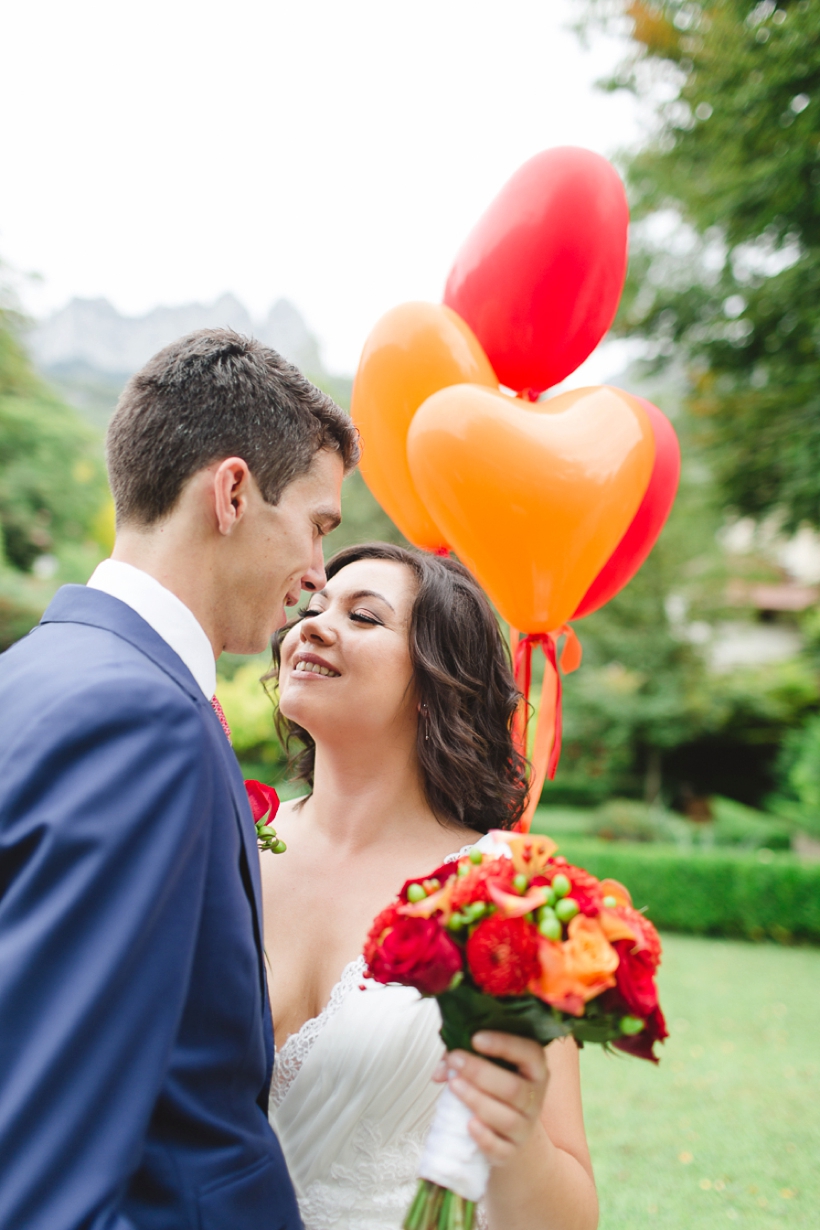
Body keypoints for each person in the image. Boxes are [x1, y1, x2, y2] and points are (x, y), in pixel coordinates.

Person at [0, 328, 359, 1230]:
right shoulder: (144, 720)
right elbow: (55, 1153)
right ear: (233, 492)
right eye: (317, 526)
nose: (317, 576)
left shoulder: (30, 674)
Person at [262, 543, 599, 1230]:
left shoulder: (502, 893)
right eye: (314, 606)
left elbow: (570, 1215)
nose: (313, 626)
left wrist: (514, 1132)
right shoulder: (225, 840)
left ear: (435, 684)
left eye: (363, 617)